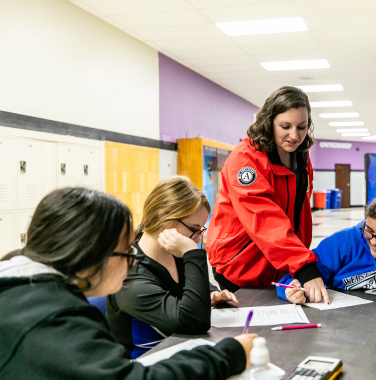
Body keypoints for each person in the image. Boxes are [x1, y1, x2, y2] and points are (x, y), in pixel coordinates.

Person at [0, 187, 256, 380]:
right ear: (89, 253)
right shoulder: (50, 317)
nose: (133, 261)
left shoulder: (26, 286)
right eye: (125, 252)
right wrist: (227, 355)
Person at [207, 86, 330, 304]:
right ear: (268, 121)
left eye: (301, 127)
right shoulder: (245, 159)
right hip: (240, 265)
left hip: (279, 262)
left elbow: (298, 211)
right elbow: (263, 218)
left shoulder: (301, 156)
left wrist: (295, 260)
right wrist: (303, 264)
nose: (295, 135)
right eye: (285, 126)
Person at [107, 176, 238, 359]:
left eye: (201, 230)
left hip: (180, 353)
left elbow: (198, 285)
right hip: (144, 366)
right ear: (163, 216)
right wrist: (192, 253)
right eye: (194, 229)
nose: (198, 238)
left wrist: (210, 295)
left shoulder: (174, 254)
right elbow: (193, 323)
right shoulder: (129, 276)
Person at [277, 189, 376, 304]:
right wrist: (292, 290)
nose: (374, 241)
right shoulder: (341, 244)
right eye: (369, 231)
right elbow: (292, 279)